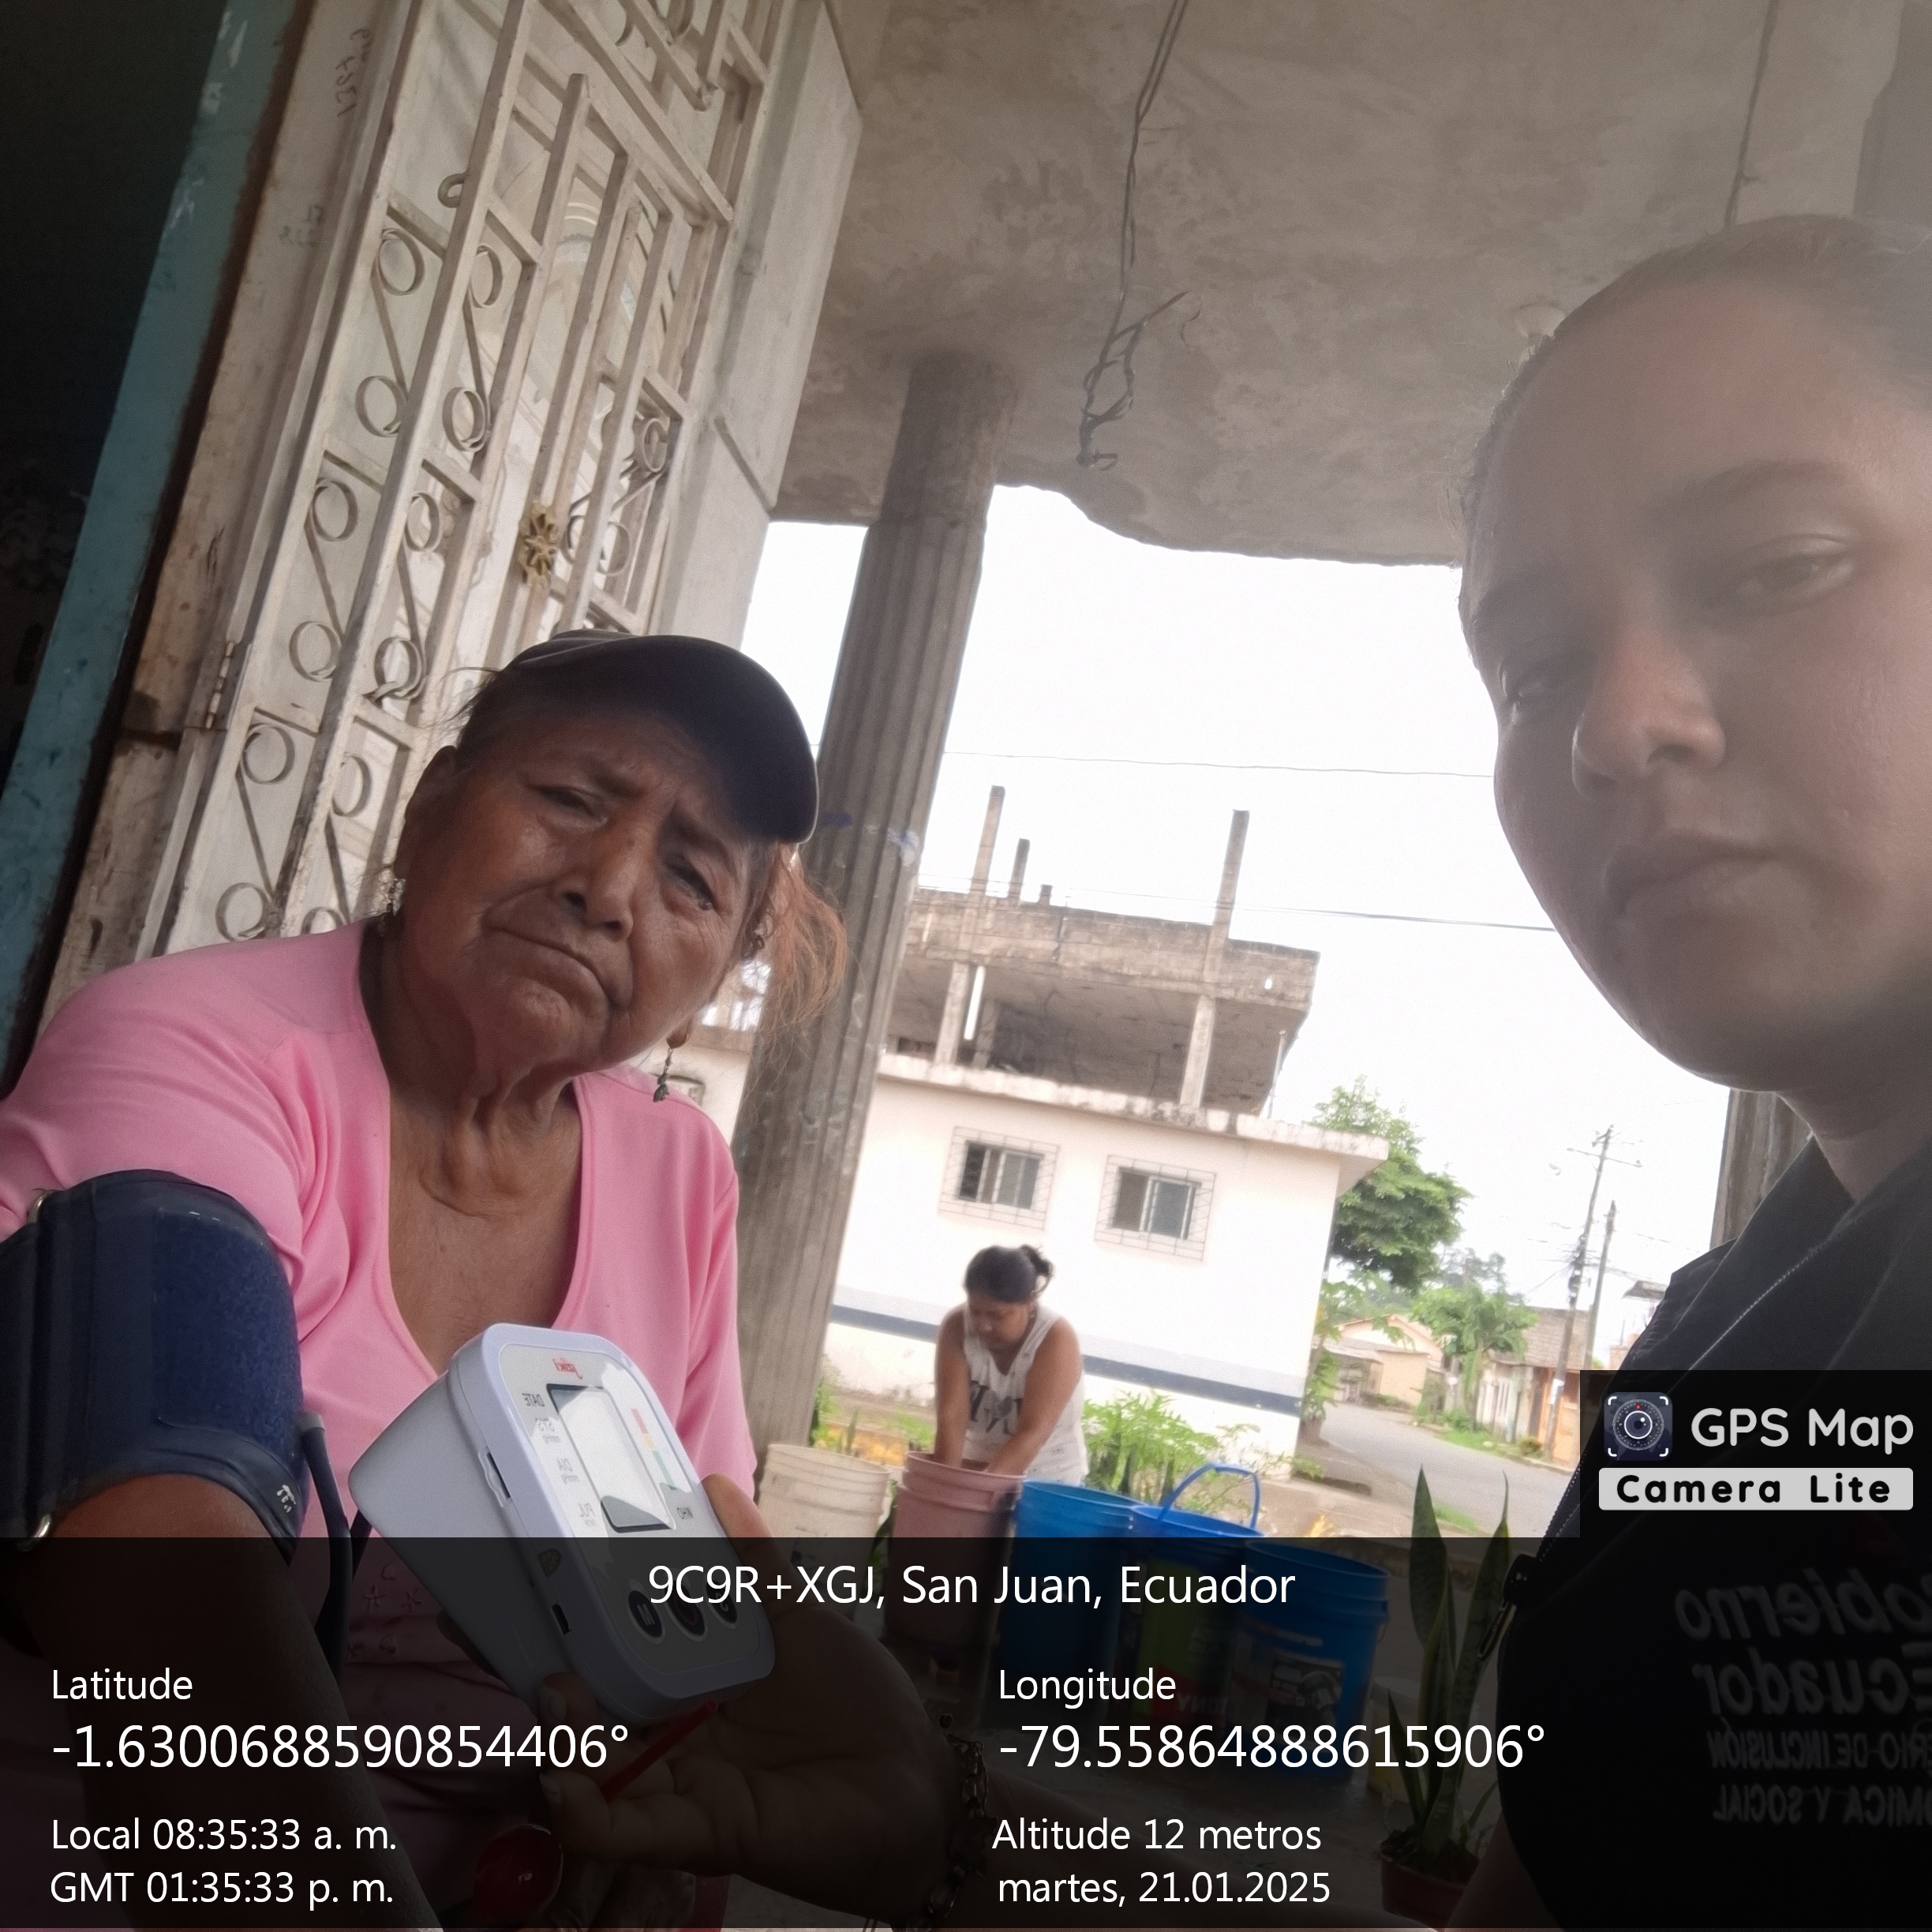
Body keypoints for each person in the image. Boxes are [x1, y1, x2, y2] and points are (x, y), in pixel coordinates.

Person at [538, 215, 1932, 1928]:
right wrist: (949, 1833)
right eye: (1535, 664)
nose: (1612, 722)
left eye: (1781, 563)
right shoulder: (1730, 1331)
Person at [0, 631, 843, 1913]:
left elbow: (691, 1610)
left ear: (720, 969)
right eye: (571, 798)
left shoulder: (682, 1175)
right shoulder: (201, 1043)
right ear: (430, 806)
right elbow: (160, 1565)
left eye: (691, 875)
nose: (610, 886)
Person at [933, 1243, 1087, 1482]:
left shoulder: (1056, 1337)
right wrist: (945, 1485)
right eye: (975, 1311)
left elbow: (1032, 1432)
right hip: (975, 1466)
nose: (983, 1326)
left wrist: (982, 1489)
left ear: (1030, 1301)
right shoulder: (956, 1327)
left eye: (998, 1315)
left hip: (1046, 1481)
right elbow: (951, 1419)